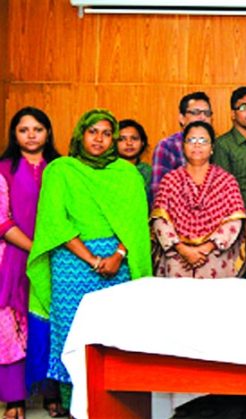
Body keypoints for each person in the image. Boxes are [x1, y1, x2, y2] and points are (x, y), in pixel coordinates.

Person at [27, 109, 151, 411]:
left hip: (117, 264)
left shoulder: (126, 173)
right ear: (81, 134)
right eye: (93, 131)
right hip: (72, 263)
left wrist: (117, 256)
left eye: (107, 133)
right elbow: (56, 223)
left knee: (113, 336)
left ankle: (116, 408)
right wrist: (94, 260)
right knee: (74, 336)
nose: (99, 138)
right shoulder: (61, 170)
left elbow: (136, 222)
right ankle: (75, 409)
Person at [0, 107, 62, 419]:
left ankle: (52, 393)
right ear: (15, 134)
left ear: (48, 132)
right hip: (14, 259)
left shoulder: (61, 168)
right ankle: (14, 400)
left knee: (49, 324)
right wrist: (36, 247)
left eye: (38, 128)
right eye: (24, 129)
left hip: (57, 258)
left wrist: (50, 249)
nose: (31, 134)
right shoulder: (4, 168)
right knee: (12, 327)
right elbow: (2, 220)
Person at [151, 121, 246, 279]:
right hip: (177, 258)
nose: (197, 145)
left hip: (215, 257)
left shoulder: (226, 181)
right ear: (183, 146)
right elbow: (160, 220)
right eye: (191, 140)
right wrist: (184, 250)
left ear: (212, 148)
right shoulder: (169, 180)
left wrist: (206, 248)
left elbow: (234, 222)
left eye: (203, 141)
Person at [213, 86, 246, 262]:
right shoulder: (223, 145)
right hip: (237, 226)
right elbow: (222, 192)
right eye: (244, 107)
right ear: (233, 114)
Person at [151, 91, 213, 197]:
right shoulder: (167, 146)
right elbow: (159, 192)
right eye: (195, 112)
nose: (203, 117)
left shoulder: (217, 144)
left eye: (207, 113)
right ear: (182, 118)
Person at [117, 119, 153, 202]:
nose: (129, 143)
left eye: (134, 138)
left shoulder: (148, 172)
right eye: (122, 139)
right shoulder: (107, 170)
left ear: (142, 142)